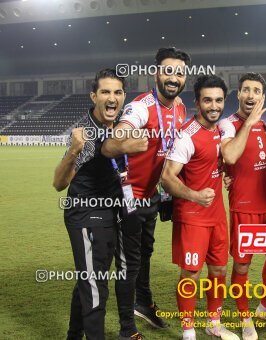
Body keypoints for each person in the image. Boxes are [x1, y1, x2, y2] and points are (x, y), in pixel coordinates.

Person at [102, 47, 189, 339]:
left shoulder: (179, 107)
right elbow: (118, 135)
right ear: (157, 73)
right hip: (128, 195)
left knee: (146, 252)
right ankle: (127, 328)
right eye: (168, 70)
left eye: (179, 72)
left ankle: (143, 301)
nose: (173, 77)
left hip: (152, 195)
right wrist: (125, 139)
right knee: (130, 261)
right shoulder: (141, 106)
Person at [53, 68, 130, 340]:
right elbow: (59, 183)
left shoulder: (121, 125)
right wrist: (73, 150)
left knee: (90, 278)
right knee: (96, 285)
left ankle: (74, 335)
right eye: (106, 92)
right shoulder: (85, 136)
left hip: (110, 213)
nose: (112, 97)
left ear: (123, 97)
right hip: (85, 215)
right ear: (93, 96)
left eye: (117, 92)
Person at [161, 75, 239, 340]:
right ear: (197, 103)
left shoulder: (223, 129)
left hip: (217, 215)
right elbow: (167, 178)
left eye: (218, 100)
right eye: (208, 100)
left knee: (219, 270)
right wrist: (194, 195)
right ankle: (188, 330)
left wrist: (223, 174)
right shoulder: (186, 136)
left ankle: (213, 322)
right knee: (191, 274)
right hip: (193, 218)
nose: (214, 105)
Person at [218, 72, 266, 340]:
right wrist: (249, 123)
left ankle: (265, 308)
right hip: (246, 208)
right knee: (243, 266)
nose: (250, 95)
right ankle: (245, 317)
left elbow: (262, 158)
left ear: (262, 96)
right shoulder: (228, 124)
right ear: (238, 94)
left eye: (256, 91)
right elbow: (232, 154)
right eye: (246, 90)